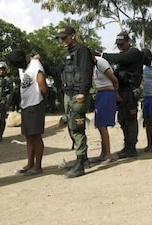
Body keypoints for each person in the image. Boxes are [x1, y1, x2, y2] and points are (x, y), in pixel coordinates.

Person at [56, 25, 94, 178]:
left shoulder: (82, 51)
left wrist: (83, 93)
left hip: (78, 95)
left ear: (73, 36)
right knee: (72, 127)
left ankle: (80, 164)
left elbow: (86, 72)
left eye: (65, 37)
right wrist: (40, 64)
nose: (62, 40)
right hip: (68, 94)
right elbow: (56, 71)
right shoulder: (66, 54)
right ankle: (82, 159)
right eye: (61, 38)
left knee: (77, 128)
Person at [102, 31, 143, 159]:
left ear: (128, 42)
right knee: (123, 119)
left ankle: (131, 147)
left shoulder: (134, 53)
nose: (120, 46)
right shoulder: (123, 56)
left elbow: (119, 58)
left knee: (130, 120)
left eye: (122, 44)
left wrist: (102, 55)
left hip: (130, 92)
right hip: (122, 92)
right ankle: (127, 146)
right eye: (118, 44)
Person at [9, 49, 48, 176]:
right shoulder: (22, 67)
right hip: (26, 104)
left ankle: (38, 165)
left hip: (35, 104)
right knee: (28, 136)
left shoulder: (35, 65)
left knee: (36, 136)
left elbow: (42, 84)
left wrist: (43, 99)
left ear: (26, 57)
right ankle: (30, 163)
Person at [89, 54, 119, 165]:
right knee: (99, 124)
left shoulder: (100, 62)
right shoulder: (93, 65)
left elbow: (114, 80)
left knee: (103, 125)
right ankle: (103, 153)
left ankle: (108, 155)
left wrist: (115, 92)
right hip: (100, 93)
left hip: (107, 93)